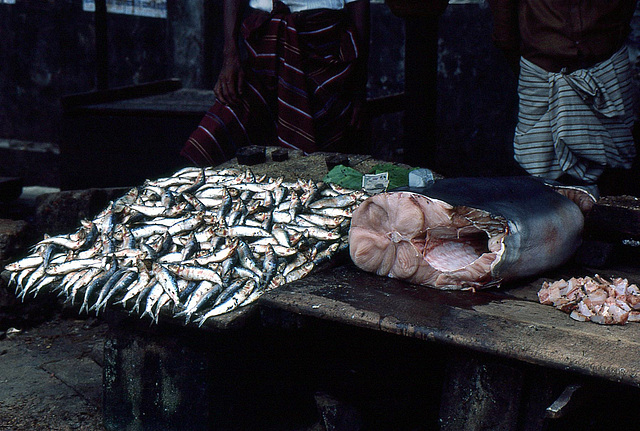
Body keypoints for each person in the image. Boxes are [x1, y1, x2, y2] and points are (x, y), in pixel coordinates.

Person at [181, 0, 370, 167]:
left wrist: (359, 86)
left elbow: (359, 4)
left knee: (320, 155)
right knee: (214, 135)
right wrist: (230, 55)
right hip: (265, 46)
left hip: (323, 50)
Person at [488, 0, 638, 194]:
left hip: (606, 68)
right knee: (539, 175)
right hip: (540, 70)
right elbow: (504, 30)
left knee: (614, 175)